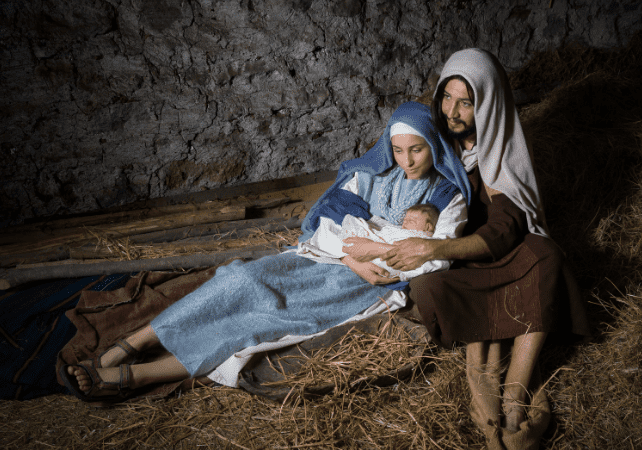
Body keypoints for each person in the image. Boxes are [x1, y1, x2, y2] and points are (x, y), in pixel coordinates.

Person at [59, 101, 470, 405]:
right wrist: (350, 255)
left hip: (366, 283)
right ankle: (131, 343)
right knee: (239, 279)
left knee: (255, 323)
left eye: (416, 150)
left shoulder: (447, 196)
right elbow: (330, 224)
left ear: (432, 144)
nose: (407, 160)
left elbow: (436, 256)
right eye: (399, 150)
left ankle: (136, 375)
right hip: (329, 257)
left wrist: (372, 258)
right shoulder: (373, 174)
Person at [344, 49, 589, 450]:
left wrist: (430, 247)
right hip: (452, 251)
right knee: (429, 288)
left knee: (546, 256)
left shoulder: (498, 148)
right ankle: (492, 357)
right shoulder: (430, 136)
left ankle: (516, 388)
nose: (452, 111)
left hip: (483, 245)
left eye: (466, 102)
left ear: (487, 105)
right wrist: (351, 250)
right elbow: (368, 171)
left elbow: (506, 229)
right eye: (446, 97)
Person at [301, 203, 446, 281]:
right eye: (405, 220)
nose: (406, 223)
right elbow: (385, 228)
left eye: (412, 221)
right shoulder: (398, 229)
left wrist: (374, 245)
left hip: (381, 260)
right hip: (363, 248)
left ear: (428, 227)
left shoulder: (424, 238)